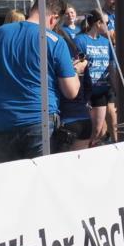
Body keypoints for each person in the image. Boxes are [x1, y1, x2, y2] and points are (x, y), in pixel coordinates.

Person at [0, 0, 82, 164]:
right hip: (40, 121)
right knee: (40, 182)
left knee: (6, 182)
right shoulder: (54, 41)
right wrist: (76, 70)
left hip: (3, 120)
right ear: (53, 18)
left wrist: (3, 90)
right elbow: (71, 91)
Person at [75, 10, 116, 144]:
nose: (109, 26)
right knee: (88, 131)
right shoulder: (80, 40)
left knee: (98, 131)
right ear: (98, 23)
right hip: (85, 92)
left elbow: (111, 67)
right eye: (107, 23)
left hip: (102, 90)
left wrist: (116, 90)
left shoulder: (106, 42)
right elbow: (76, 66)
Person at [53, 22, 92, 152]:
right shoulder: (79, 61)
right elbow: (88, 86)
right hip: (84, 118)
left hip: (66, 120)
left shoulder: (56, 64)